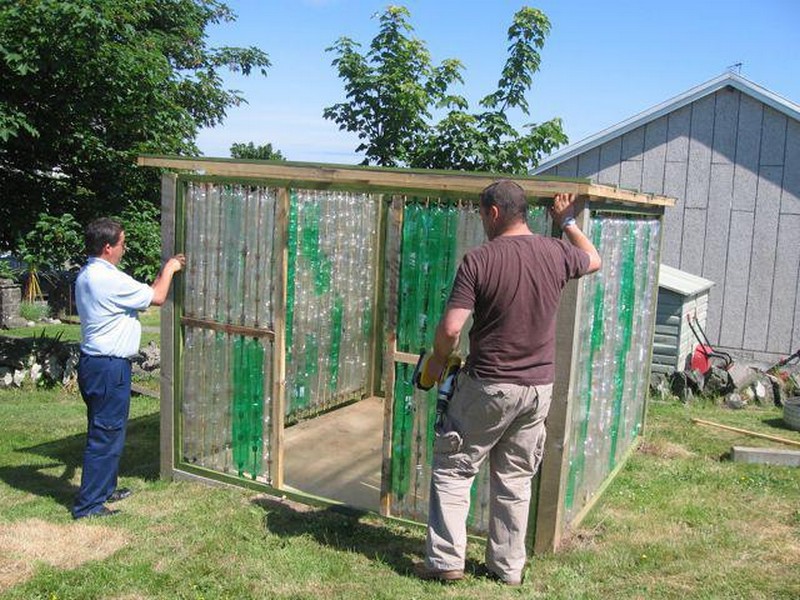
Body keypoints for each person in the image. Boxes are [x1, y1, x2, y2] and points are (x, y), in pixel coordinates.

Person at [414, 180, 602, 584]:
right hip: (537, 389)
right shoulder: (556, 253)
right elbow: (594, 259)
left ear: (494, 213)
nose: (483, 222)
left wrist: (437, 363)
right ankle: (507, 568)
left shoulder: (480, 260)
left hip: (490, 384)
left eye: (483, 214)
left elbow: (451, 329)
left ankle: (446, 563)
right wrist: (567, 222)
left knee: (454, 469)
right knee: (515, 479)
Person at [72, 217, 185, 519]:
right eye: (122, 243)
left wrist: (161, 274)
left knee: (108, 429)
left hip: (96, 365)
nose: (125, 248)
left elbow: (145, 293)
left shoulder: (90, 274)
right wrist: (170, 269)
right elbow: (157, 297)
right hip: (108, 368)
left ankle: (105, 489)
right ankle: (89, 505)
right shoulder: (107, 279)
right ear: (108, 247)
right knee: (105, 435)